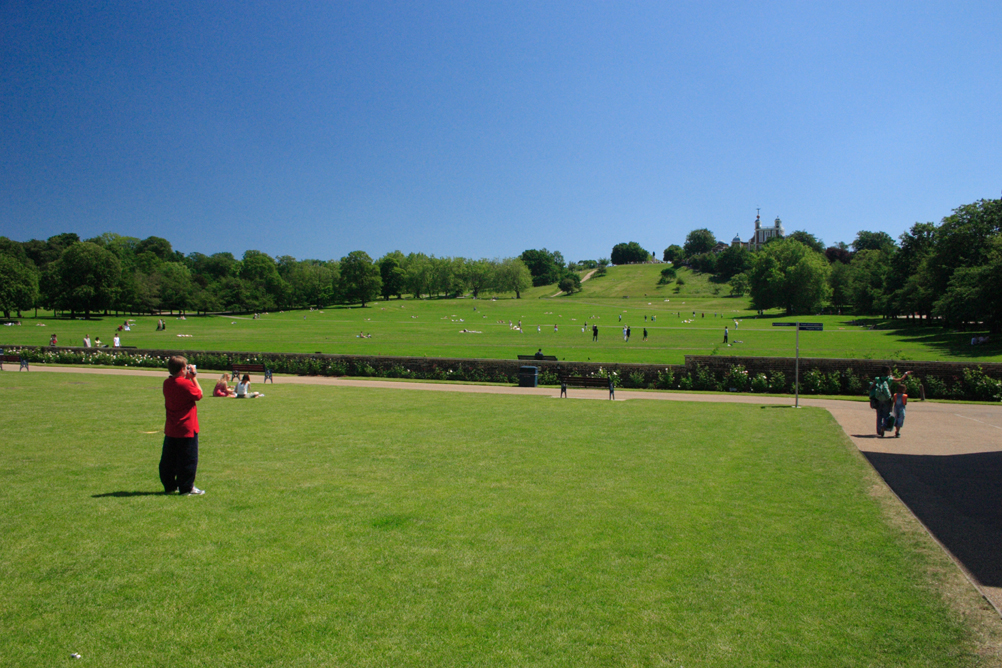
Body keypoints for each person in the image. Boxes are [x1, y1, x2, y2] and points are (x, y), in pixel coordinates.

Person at [160, 355, 204, 495]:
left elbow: (180, 388)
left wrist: (187, 378)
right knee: (188, 459)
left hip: (171, 427)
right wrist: (193, 378)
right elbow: (199, 394)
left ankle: (170, 486)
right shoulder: (186, 384)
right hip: (186, 427)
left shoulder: (167, 383)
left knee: (169, 459)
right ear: (182, 369)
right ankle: (186, 487)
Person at [869, 366, 911, 437]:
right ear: (888, 371)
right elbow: (900, 379)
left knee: (879, 415)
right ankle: (884, 426)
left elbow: (871, 388)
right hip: (887, 399)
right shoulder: (890, 379)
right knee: (886, 414)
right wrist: (906, 374)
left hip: (878, 399)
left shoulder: (877, 379)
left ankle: (879, 430)